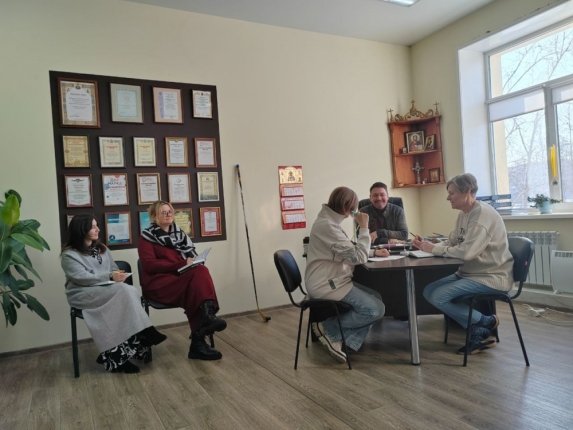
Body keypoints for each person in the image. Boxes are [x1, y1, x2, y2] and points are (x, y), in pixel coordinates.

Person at [412, 173, 513, 355]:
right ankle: (481, 326)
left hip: (491, 276)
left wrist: (434, 249)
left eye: (452, 193)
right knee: (428, 291)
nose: (448, 197)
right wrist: (428, 245)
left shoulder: (482, 216)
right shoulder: (464, 214)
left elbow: (467, 252)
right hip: (470, 273)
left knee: (439, 296)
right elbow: (452, 241)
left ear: (467, 191)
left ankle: (483, 323)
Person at [61, 215, 167, 374]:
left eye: (97, 225)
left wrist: (118, 274)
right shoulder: (69, 254)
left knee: (128, 290)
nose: (98, 229)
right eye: (93, 227)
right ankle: (144, 331)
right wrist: (110, 276)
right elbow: (81, 278)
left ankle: (118, 355)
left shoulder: (102, 248)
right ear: (81, 230)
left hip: (105, 290)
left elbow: (113, 268)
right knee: (125, 290)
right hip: (82, 293)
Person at [305, 186, 387, 363]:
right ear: (347, 207)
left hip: (333, 279)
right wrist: (364, 228)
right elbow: (358, 257)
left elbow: (348, 250)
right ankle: (328, 329)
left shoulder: (328, 221)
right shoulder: (327, 226)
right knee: (375, 309)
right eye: (353, 208)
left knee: (376, 297)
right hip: (327, 284)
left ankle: (340, 340)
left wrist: (373, 252)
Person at [138, 201, 226, 361]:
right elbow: (150, 266)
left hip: (179, 279)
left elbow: (190, 256)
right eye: (163, 212)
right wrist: (181, 264)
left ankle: (203, 327)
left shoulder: (180, 235)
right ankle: (202, 331)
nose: (168, 214)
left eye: (170, 211)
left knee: (200, 271)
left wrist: (195, 261)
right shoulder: (146, 237)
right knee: (196, 285)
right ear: (154, 216)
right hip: (158, 284)